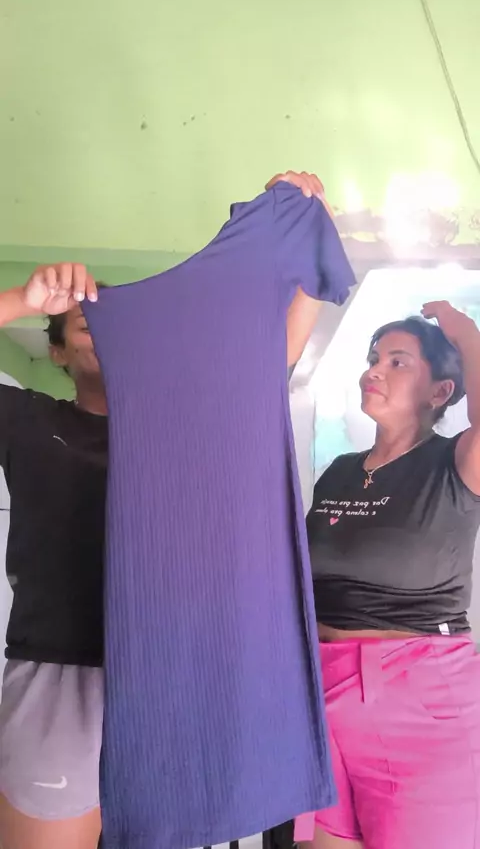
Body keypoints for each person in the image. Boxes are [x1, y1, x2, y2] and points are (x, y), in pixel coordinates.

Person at [0, 172, 338, 849]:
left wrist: (303, 219)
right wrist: (22, 300)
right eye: (83, 322)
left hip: (178, 670)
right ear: (56, 351)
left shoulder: (194, 422)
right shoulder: (29, 419)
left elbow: (271, 352)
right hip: (61, 673)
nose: (103, 328)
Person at [303, 303, 480, 849]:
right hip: (315, 687)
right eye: (373, 358)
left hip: (419, 694)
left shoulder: (455, 463)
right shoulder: (339, 471)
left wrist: (467, 333)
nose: (374, 370)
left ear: (441, 391)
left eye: (398, 362)